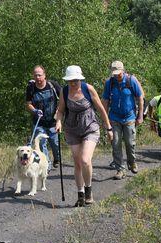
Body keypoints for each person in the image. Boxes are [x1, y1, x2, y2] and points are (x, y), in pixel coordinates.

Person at [55, 65, 113, 207]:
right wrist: (58, 121)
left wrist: (108, 127)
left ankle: (88, 191)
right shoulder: (65, 91)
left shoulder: (88, 89)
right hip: (72, 129)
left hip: (90, 127)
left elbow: (100, 108)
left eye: (76, 80)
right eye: (70, 80)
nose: (73, 83)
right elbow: (60, 110)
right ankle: (80, 194)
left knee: (85, 160)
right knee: (78, 163)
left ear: (80, 79)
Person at [102, 60, 144, 180]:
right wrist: (105, 120)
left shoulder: (131, 81)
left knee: (130, 143)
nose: (117, 76)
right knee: (115, 144)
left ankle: (132, 162)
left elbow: (140, 98)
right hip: (114, 117)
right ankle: (120, 169)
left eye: (118, 73)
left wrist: (140, 116)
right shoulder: (109, 83)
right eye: (114, 74)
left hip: (129, 117)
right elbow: (105, 101)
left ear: (123, 70)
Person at [25, 65, 61, 171]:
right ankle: (47, 166)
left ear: (44, 75)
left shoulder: (52, 85)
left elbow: (63, 98)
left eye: (39, 75)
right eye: (35, 75)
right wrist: (34, 110)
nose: (37, 77)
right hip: (39, 122)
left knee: (55, 144)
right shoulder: (30, 88)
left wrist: (59, 110)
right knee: (41, 144)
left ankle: (56, 159)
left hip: (52, 122)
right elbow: (28, 104)